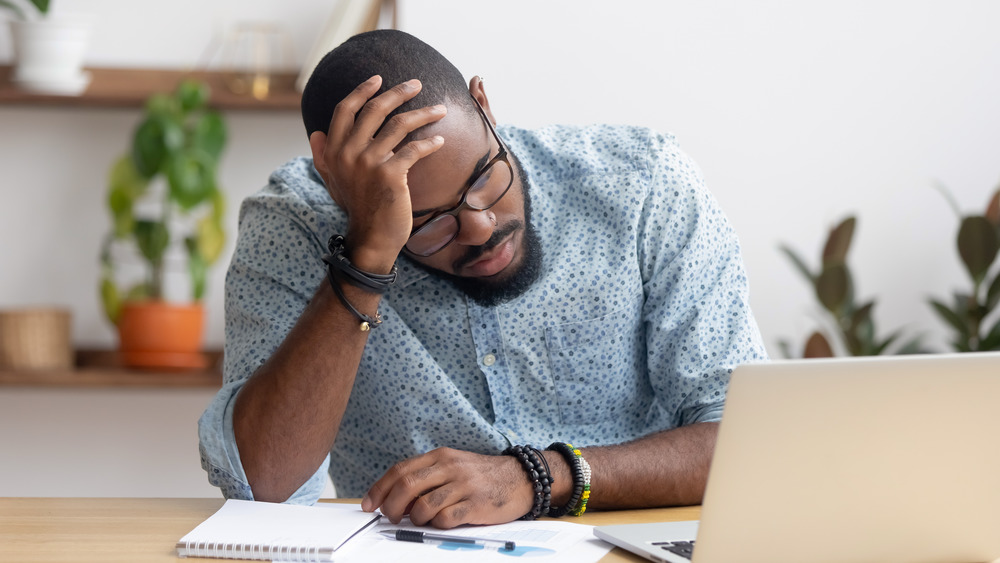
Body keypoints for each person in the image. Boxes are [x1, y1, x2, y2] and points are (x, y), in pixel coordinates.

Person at [198, 29, 767, 529]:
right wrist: (368, 252)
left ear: (485, 105)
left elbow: (747, 442)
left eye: (484, 177)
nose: (479, 226)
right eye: (425, 222)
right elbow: (264, 485)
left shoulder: (643, 186)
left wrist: (538, 478)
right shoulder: (293, 223)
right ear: (335, 186)